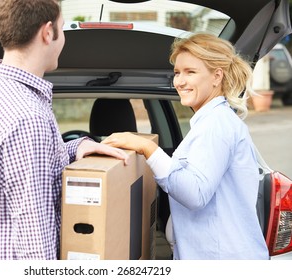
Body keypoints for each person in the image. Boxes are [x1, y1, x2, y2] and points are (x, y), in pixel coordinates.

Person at [0, 0, 128, 260]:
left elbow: (9, 168)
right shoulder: (28, 117)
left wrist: (76, 146)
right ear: (47, 33)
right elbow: (34, 238)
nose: (63, 37)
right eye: (63, 28)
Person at [102, 33, 270, 260]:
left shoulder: (216, 125)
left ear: (216, 76)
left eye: (190, 72)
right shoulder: (212, 121)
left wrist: (147, 148)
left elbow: (194, 193)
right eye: (177, 73)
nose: (179, 81)